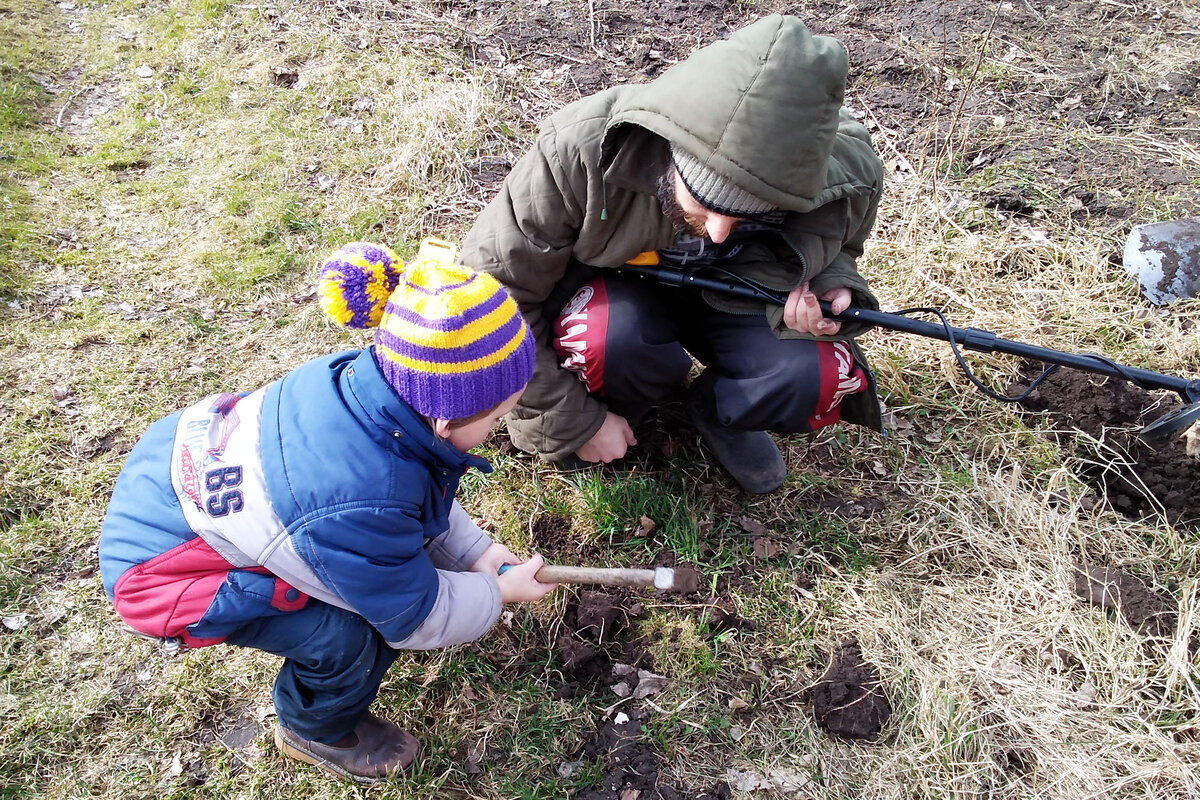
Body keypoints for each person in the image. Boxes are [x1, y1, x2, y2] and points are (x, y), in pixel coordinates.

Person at [98, 240, 559, 784]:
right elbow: (414, 617)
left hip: (177, 477)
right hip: (167, 570)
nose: (499, 429)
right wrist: (497, 593)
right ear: (444, 421)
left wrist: (475, 552)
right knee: (351, 634)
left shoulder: (375, 389)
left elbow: (408, 500)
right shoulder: (356, 497)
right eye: (497, 418)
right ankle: (312, 727)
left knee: (364, 565)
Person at [460, 14, 885, 494]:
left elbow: (838, 246)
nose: (721, 233)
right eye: (706, 205)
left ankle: (719, 411)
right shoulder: (581, 151)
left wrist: (832, 285)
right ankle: (615, 409)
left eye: (752, 214)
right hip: (616, 296)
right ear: (672, 154)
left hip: (735, 297)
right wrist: (573, 421)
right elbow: (491, 297)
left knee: (819, 373)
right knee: (605, 340)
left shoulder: (845, 174)